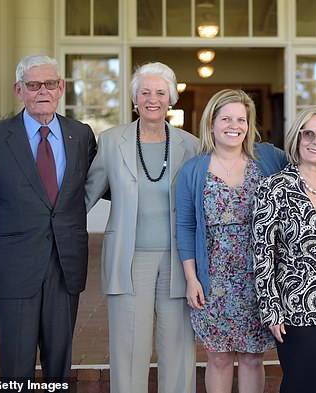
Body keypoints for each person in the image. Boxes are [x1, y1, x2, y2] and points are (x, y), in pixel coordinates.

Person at [0, 55, 97, 384]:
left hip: (65, 266)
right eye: (33, 85)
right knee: (16, 366)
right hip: (14, 270)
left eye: (49, 84)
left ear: (61, 88)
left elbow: (108, 184)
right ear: (19, 90)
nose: (42, 91)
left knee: (59, 364)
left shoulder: (81, 135)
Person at [85, 62, 199, 393]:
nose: (153, 99)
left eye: (160, 92)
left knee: (177, 347)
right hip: (128, 257)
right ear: (135, 98)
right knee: (128, 347)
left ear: (171, 98)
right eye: (145, 92)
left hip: (180, 260)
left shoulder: (190, 145)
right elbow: (84, 197)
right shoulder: (110, 141)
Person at [175, 89, 285, 393]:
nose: (233, 125)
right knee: (219, 358)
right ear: (211, 123)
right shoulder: (193, 170)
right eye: (226, 118)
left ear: (249, 125)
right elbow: (185, 226)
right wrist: (191, 279)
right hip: (214, 280)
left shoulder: (269, 159)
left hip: (258, 279)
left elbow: (306, 170)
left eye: (241, 119)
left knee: (252, 358)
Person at [252, 106, 316, 393]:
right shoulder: (274, 187)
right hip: (296, 305)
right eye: (308, 133)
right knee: (303, 383)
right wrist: (271, 310)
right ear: (297, 138)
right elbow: (262, 254)